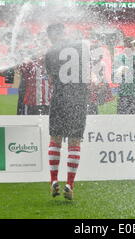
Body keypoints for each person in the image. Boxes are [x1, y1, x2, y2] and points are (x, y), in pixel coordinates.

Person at [45, 23, 89, 201]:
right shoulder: (80, 47)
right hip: (78, 99)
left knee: (55, 139)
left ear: (50, 36)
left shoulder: (50, 53)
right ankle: (70, 184)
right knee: (74, 141)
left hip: (59, 98)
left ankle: (53, 180)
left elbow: (50, 80)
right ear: (64, 32)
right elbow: (87, 73)